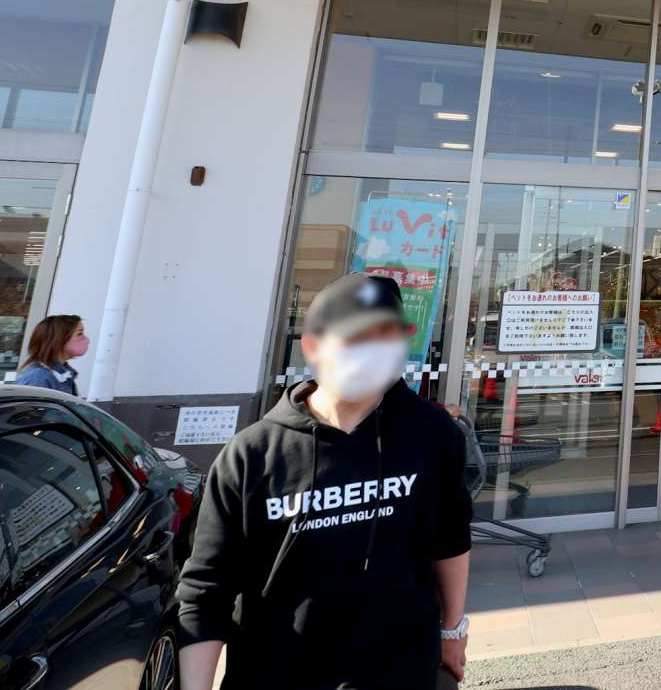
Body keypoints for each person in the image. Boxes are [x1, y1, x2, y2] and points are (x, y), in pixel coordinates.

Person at [176, 273, 473, 689]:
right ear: (313, 347)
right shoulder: (252, 455)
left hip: (403, 674)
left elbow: (450, 539)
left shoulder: (432, 434)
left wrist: (453, 629)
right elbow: (206, 592)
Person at [13, 314, 85, 394]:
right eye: (79, 334)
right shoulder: (38, 377)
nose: (85, 339)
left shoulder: (63, 375)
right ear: (59, 338)